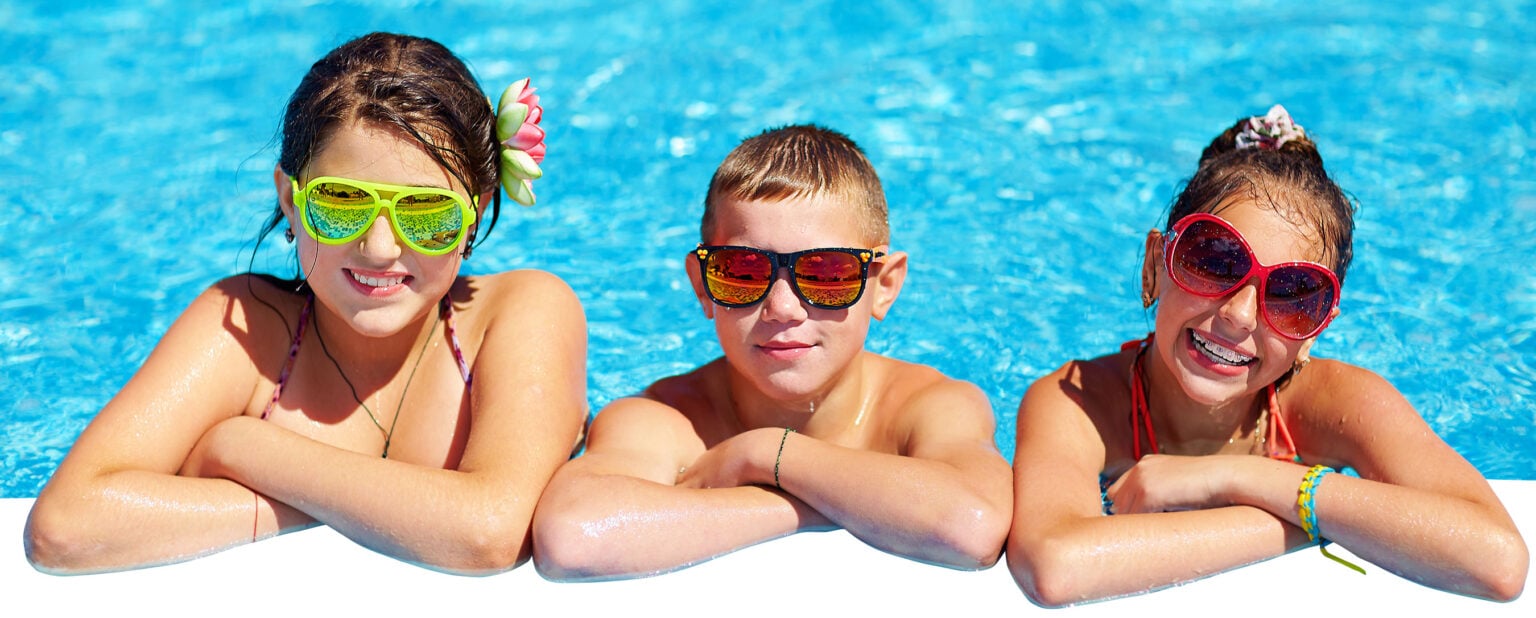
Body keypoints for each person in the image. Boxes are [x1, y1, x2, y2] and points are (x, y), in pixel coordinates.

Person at [24, 32, 587, 575]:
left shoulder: (519, 313)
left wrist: (244, 448)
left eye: (425, 212)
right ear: (290, 203)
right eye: (342, 203)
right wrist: (356, 508)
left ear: (474, 211)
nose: (380, 247)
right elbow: (64, 527)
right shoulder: (244, 326)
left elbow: (488, 534)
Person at [1006, 105, 1528, 605]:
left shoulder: (1337, 402)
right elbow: (1055, 566)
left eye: (1294, 294)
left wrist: (1238, 479)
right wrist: (1321, 522)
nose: (1239, 315)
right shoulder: (1079, 404)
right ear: (1155, 265)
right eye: (1213, 259)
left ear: (1317, 331)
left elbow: (1498, 562)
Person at [531, 124, 1012, 579]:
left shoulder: (925, 406)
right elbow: (572, 536)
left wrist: (767, 454)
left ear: (884, 286)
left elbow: (972, 524)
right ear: (702, 286)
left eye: (826, 273)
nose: (782, 308)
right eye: (742, 271)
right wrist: (805, 503)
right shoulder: (668, 418)